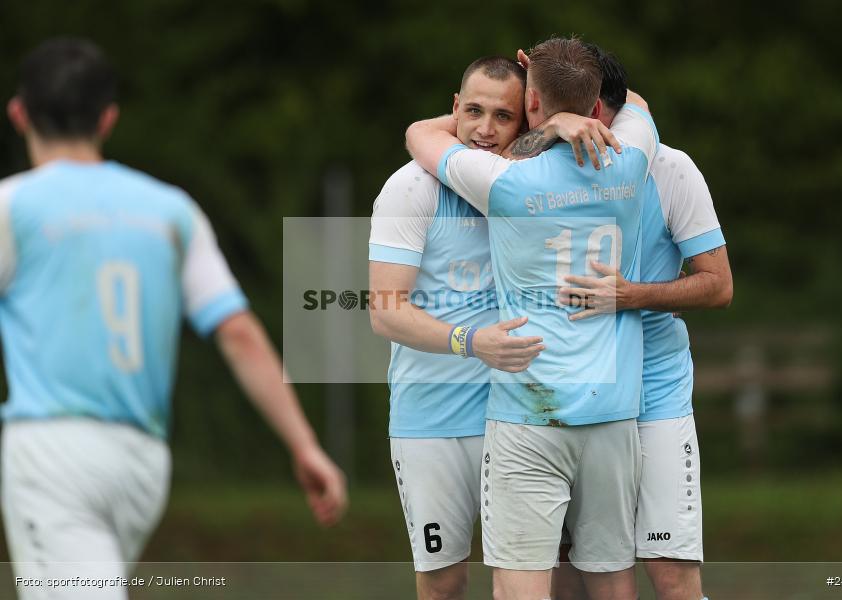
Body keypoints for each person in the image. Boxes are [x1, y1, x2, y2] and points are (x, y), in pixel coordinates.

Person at [0, 38, 347, 599]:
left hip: (53, 453)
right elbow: (237, 331)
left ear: (19, 114)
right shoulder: (170, 209)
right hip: (142, 463)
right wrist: (303, 444)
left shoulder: (12, 206)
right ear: (108, 119)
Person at [406, 37, 658, 600]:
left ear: (531, 105)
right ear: (597, 109)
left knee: (520, 585)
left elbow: (419, 135)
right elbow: (636, 99)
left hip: (527, 413)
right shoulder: (632, 159)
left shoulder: (504, 181)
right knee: (614, 581)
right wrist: (568, 109)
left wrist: (549, 124)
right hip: (613, 411)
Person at [532, 45, 732, 600]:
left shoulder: (669, 169)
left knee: (670, 576)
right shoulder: (537, 167)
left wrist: (633, 295)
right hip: (569, 395)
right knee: (567, 578)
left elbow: (718, 284)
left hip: (654, 395)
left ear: (599, 110)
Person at [369, 56, 543, 600]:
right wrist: (470, 342)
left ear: (526, 123)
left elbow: (627, 109)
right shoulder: (410, 188)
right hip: (433, 419)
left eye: (503, 116)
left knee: (539, 582)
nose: (485, 130)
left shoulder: (536, 182)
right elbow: (385, 310)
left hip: (521, 415)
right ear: (453, 111)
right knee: (444, 584)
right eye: (472, 112)